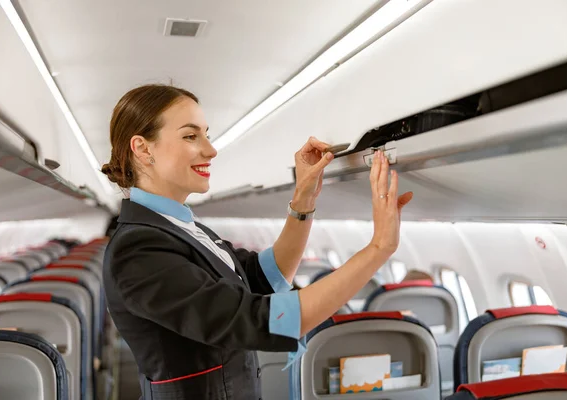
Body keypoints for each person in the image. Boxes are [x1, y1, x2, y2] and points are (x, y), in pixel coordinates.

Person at [101, 84, 413, 400]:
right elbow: (258, 320)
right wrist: (378, 249)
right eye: (190, 136)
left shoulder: (186, 228)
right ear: (143, 149)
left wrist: (303, 199)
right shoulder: (137, 250)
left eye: (207, 134)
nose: (211, 150)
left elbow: (267, 275)